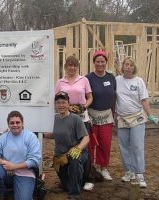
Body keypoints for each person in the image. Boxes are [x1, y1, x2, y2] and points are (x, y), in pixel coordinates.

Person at [116, 57, 158, 188]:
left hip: (137, 117)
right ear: (122, 67)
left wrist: (149, 115)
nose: (128, 67)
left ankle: (139, 173)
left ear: (134, 67)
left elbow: (144, 100)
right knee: (124, 146)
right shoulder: (117, 80)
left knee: (137, 146)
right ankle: (129, 172)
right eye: (126, 65)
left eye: (130, 65)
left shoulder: (139, 81)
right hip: (122, 118)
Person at [55, 55, 94, 190]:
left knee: (83, 148)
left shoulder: (84, 80)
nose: (72, 67)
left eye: (75, 65)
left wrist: (84, 106)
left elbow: (90, 97)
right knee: (68, 148)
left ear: (77, 67)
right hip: (67, 117)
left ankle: (88, 178)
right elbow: (57, 100)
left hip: (83, 118)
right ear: (65, 66)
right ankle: (71, 177)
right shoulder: (60, 82)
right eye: (70, 65)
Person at [44, 92, 89, 200]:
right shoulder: (54, 119)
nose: (61, 105)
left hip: (77, 151)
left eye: (64, 102)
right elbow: (53, 134)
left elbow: (86, 138)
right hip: (61, 154)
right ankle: (75, 183)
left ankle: (74, 194)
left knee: (74, 160)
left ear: (68, 104)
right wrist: (38, 134)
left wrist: (78, 149)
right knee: (65, 186)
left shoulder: (76, 119)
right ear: (55, 105)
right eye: (58, 103)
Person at [0, 111, 41, 200]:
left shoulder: (30, 137)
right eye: (12, 123)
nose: (15, 125)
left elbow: (35, 160)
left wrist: (14, 166)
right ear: (8, 125)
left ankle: (20, 190)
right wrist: (5, 163)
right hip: (7, 171)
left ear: (22, 123)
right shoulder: (4, 137)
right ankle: (2, 193)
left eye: (18, 122)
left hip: (25, 173)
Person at [86, 50, 116, 181]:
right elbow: (85, 96)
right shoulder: (88, 78)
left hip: (106, 116)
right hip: (92, 116)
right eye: (97, 62)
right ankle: (91, 169)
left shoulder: (111, 78)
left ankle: (103, 168)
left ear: (106, 62)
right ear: (94, 63)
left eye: (102, 61)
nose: (100, 64)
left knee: (105, 144)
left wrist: (114, 113)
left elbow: (114, 96)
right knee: (91, 144)